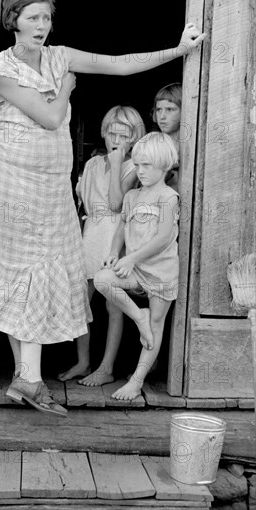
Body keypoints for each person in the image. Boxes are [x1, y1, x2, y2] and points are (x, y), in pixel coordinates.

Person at [0, 0, 205, 416]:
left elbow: (119, 65)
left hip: (52, 187)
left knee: (49, 270)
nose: (42, 25)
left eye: (46, 17)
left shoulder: (59, 56)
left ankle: (28, 379)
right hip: (13, 184)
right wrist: (66, 88)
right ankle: (29, 378)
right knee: (19, 270)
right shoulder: (1, 71)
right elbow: (49, 116)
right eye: (33, 17)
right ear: (14, 21)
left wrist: (178, 51)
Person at [58, 106, 145, 386]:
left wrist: (118, 163)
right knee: (81, 301)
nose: (116, 140)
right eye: (111, 133)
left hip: (116, 234)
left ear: (135, 137)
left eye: (124, 134)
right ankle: (83, 362)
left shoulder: (134, 166)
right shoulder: (93, 164)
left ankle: (106, 367)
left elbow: (116, 204)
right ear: (104, 133)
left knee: (113, 305)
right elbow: (82, 203)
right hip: (91, 233)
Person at [94, 132, 180, 400]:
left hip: (160, 271)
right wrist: (113, 252)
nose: (139, 171)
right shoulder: (131, 196)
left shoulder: (168, 197)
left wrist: (132, 258)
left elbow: (164, 237)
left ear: (164, 166)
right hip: (135, 271)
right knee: (102, 279)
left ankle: (136, 380)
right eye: (138, 164)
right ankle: (137, 315)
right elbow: (121, 229)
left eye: (147, 166)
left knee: (156, 324)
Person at [151, 82, 182, 190]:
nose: (162, 116)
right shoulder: (152, 144)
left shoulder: (191, 144)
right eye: (159, 110)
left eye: (170, 109)